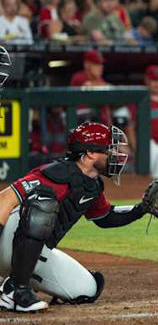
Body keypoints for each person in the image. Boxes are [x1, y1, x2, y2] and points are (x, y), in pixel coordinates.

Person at [0, 122, 149, 312]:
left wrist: (141, 209)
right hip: (7, 243)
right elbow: (4, 199)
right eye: (109, 150)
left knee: (88, 289)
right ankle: (16, 291)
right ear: (90, 153)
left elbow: (106, 217)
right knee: (43, 204)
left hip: (32, 254)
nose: (115, 154)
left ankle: (11, 281)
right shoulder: (54, 174)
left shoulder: (91, 184)